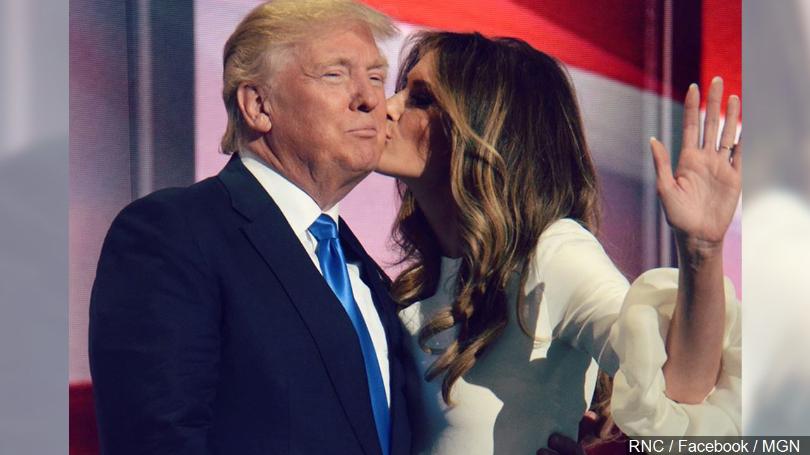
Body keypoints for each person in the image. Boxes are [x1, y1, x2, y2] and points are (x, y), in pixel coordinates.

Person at [378, 32, 741, 454]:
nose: (387, 107)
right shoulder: (414, 281)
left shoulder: (553, 255)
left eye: (421, 99)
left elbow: (677, 390)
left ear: (484, 130)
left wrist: (702, 251)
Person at [88, 1, 411, 454]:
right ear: (258, 105)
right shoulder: (171, 234)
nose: (370, 99)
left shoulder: (363, 269)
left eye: (377, 76)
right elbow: (158, 441)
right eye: (335, 75)